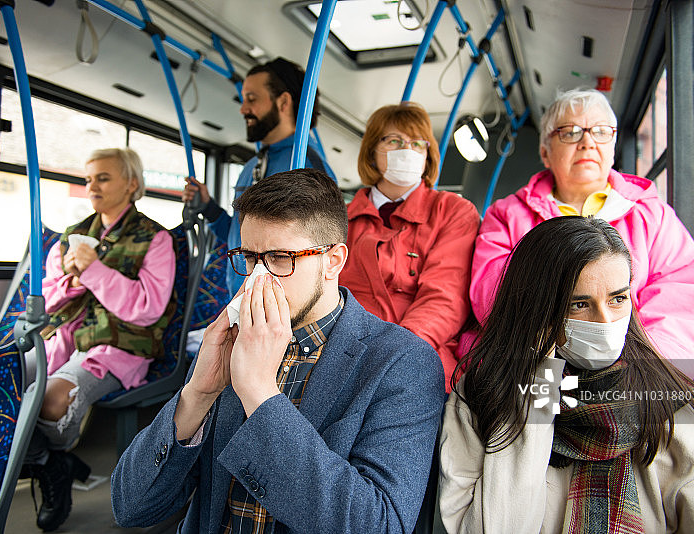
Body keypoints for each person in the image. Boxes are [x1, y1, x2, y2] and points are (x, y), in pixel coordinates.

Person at [111, 169, 444, 534]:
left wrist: (259, 393)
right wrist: (197, 395)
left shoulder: (401, 362)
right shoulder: (227, 344)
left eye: (279, 258)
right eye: (250, 258)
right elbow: (132, 508)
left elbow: (378, 525)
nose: (257, 278)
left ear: (333, 261)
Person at [439, 216, 694, 533]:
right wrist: (538, 383)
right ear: (538, 310)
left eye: (617, 298)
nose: (604, 321)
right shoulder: (482, 397)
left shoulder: (667, 402)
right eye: (579, 304)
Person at [470, 88, 694, 379]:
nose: (587, 142)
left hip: (632, 370)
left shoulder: (653, 216)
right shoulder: (507, 215)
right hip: (532, 363)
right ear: (545, 152)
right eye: (570, 132)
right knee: (531, 418)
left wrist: (636, 374)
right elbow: (492, 294)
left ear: (612, 146)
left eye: (600, 131)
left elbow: (682, 304)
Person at [24, 148, 175, 531]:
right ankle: (51, 462)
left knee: (52, 400)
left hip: (119, 346)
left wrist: (93, 272)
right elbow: (48, 299)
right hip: (65, 337)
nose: (92, 186)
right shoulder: (71, 238)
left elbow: (147, 308)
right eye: (89, 178)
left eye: (103, 178)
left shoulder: (155, 240)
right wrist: (71, 281)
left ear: (132, 184)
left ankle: (50, 460)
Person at [340, 102, 479, 393]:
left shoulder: (453, 211)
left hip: (417, 356)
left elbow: (445, 298)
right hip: (342, 354)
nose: (407, 150)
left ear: (428, 155)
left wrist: (397, 355)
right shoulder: (340, 219)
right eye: (393, 140)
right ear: (371, 151)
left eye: (417, 143)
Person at [183, 57, 336, 297]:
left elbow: (318, 254)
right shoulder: (252, 165)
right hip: (239, 300)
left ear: (283, 101)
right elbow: (245, 243)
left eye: (252, 99)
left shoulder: (308, 167)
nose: (243, 109)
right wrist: (209, 209)